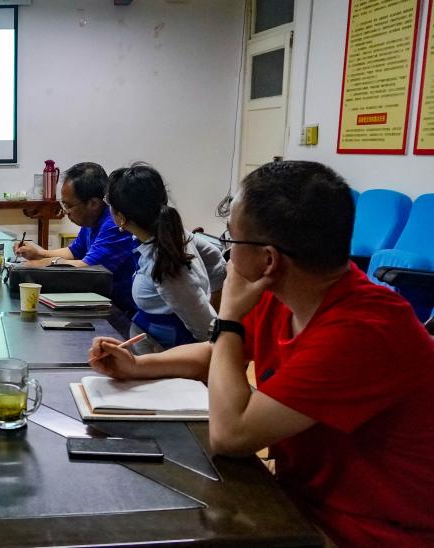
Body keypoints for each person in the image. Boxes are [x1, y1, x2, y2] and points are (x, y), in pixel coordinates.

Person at [89, 161, 434, 545]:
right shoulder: (283, 293)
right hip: (297, 505)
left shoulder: (364, 330)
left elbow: (231, 435)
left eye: (231, 241)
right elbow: (217, 355)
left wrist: (228, 317)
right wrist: (137, 365)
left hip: (365, 533)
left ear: (268, 259)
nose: (227, 254)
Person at [105, 163, 224, 347]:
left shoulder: (165, 265)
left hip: (170, 353)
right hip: (150, 342)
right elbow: (214, 256)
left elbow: (204, 329)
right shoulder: (168, 236)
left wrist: (214, 302)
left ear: (121, 218)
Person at [13, 162, 138, 311]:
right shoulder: (91, 220)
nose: (65, 211)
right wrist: (38, 253)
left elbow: (88, 267)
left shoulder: (114, 224)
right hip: (100, 298)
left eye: (69, 205)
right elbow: (74, 251)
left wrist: (39, 265)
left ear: (93, 203)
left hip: (120, 309)